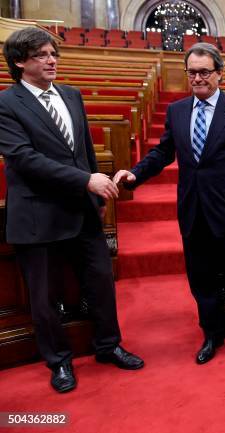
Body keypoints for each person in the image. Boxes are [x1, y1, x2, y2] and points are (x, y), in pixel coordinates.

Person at [0, 27, 144, 394]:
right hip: (37, 214)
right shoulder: (6, 103)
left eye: (54, 54)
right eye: (42, 55)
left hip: (81, 212)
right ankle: (59, 361)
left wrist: (94, 199)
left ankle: (109, 346)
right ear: (19, 62)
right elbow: (23, 159)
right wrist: (85, 181)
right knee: (45, 297)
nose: (52, 61)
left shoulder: (71, 95)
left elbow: (85, 154)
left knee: (100, 284)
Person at [113, 43, 225, 365]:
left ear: (219, 74)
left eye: (204, 72)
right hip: (194, 211)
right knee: (202, 280)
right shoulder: (177, 111)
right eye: (192, 72)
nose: (197, 78)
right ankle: (211, 335)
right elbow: (163, 153)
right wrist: (135, 174)